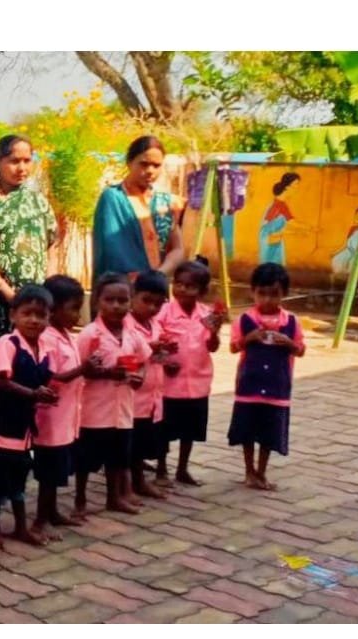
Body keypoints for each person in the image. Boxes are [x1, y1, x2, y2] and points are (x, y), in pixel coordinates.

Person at [0, 284, 57, 548]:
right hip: (0, 425)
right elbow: (1, 381)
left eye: (40, 315)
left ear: (49, 318)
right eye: (27, 313)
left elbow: (47, 378)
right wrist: (34, 394)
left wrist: (45, 394)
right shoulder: (7, 343)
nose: (33, 320)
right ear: (13, 315)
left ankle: (21, 527)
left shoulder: (44, 347)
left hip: (24, 427)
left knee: (19, 478)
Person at [75, 274, 150, 517]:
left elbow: (143, 360)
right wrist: (107, 373)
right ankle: (80, 499)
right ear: (97, 301)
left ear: (131, 302)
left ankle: (114, 497)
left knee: (117, 458)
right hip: (95, 411)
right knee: (86, 459)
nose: (116, 306)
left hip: (123, 409)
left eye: (122, 300)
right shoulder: (90, 335)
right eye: (109, 300)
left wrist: (139, 376)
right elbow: (79, 370)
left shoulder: (133, 334)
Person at [228, 263, 305, 490]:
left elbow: (300, 350)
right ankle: (249, 471)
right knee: (247, 431)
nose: (267, 300)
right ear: (253, 292)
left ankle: (261, 471)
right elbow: (233, 347)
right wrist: (247, 339)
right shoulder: (244, 320)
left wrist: (289, 343)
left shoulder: (291, 321)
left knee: (268, 433)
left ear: (284, 294)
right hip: (249, 386)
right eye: (262, 294)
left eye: (274, 294)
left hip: (277, 387)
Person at [32, 275, 95, 537]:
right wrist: (83, 369)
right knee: (49, 472)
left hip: (67, 414)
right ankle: (41, 519)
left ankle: (53, 511)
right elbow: (50, 376)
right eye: (73, 308)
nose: (77, 314)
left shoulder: (67, 335)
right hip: (51, 417)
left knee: (58, 469)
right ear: (54, 308)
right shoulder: (46, 338)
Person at [0, 135, 57, 343]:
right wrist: (5, 291)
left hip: (34, 303)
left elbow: (50, 244)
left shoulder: (37, 199)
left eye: (27, 160)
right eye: (14, 161)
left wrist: (48, 286)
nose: (22, 168)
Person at [157, 260, 225, 487]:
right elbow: (151, 343)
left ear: (202, 291)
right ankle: (161, 468)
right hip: (168, 385)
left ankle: (182, 468)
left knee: (190, 430)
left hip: (197, 383)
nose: (182, 289)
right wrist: (165, 360)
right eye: (178, 284)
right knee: (164, 430)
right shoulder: (163, 313)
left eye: (190, 286)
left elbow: (213, 347)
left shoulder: (207, 315)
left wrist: (214, 332)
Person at [91, 135, 186, 285]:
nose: (150, 171)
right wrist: (138, 281)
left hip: (156, 287)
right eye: (144, 164)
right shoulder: (113, 198)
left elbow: (178, 249)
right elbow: (111, 251)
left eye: (156, 165)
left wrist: (159, 274)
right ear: (129, 163)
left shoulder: (164, 202)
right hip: (120, 289)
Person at [125, 272, 171, 501]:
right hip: (132, 395)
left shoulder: (155, 325)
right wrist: (150, 348)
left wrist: (165, 350)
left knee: (142, 441)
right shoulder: (126, 324)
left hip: (152, 395)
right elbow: (124, 356)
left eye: (158, 304)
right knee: (130, 443)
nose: (152, 308)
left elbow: (157, 358)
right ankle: (131, 483)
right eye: (146, 301)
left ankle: (137, 480)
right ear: (133, 296)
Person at [258, 173, 302, 265]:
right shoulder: (277, 206)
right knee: (270, 267)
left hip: (276, 242)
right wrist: (309, 229)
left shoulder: (281, 204)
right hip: (269, 244)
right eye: (295, 185)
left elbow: (290, 222)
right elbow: (268, 230)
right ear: (287, 187)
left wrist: (307, 229)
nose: (297, 188)